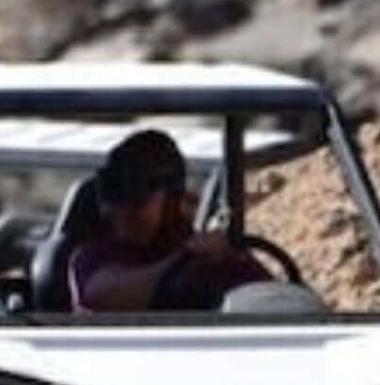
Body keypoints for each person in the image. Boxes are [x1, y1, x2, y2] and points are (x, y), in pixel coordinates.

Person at [68, 129, 270, 312]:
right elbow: (103, 296)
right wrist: (185, 260)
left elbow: (270, 297)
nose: (116, 212)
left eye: (136, 199)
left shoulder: (211, 254)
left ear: (172, 202)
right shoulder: (93, 256)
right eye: (110, 196)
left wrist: (228, 257)